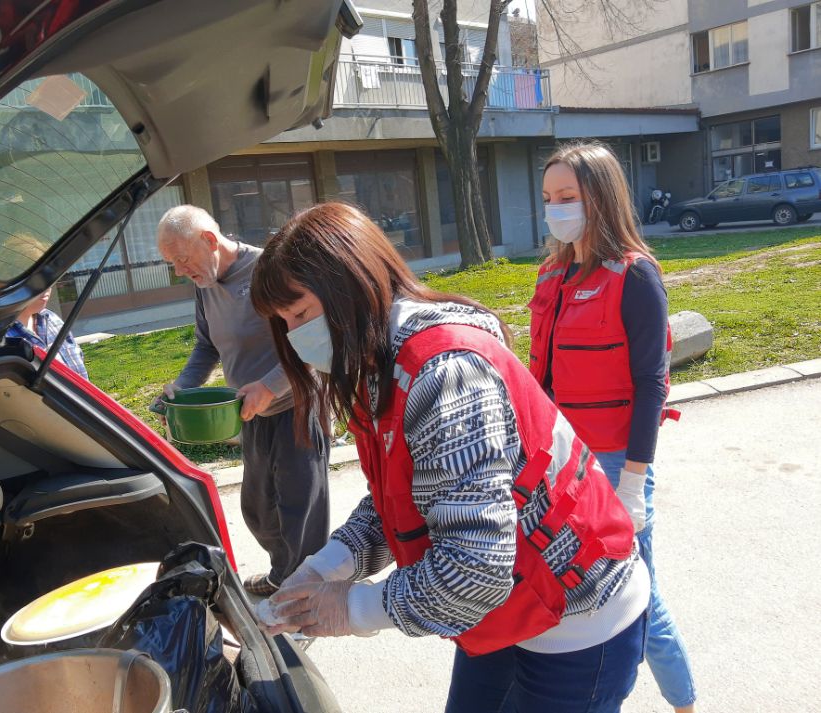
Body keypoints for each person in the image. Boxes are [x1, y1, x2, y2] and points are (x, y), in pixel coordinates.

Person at [249, 202, 650, 713]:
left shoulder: (445, 375)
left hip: (577, 618)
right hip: (507, 605)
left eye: (301, 314)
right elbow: (402, 499)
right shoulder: (378, 363)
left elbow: (475, 567)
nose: (295, 335)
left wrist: (352, 608)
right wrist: (326, 567)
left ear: (349, 282)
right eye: (284, 322)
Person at [528, 142, 697, 713]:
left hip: (615, 462)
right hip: (561, 461)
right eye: (548, 197)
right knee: (575, 591)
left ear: (600, 198)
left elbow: (652, 384)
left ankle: (684, 703)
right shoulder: (552, 274)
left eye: (567, 197)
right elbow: (543, 377)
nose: (555, 209)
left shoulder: (635, 275)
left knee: (639, 597)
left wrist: (632, 483)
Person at [154, 205, 329, 597]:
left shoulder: (270, 269)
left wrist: (269, 386)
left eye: (182, 259)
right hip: (249, 410)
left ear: (209, 240)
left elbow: (313, 340)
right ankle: (285, 573)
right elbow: (206, 345)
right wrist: (183, 388)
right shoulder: (204, 284)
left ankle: (305, 594)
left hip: (296, 404)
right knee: (259, 509)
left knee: (300, 510)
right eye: (172, 264)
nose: (180, 271)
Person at [7, 286, 89, 379]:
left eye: (48, 281)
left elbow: (77, 356)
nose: (46, 287)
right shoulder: (2, 339)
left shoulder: (51, 317)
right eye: (36, 282)